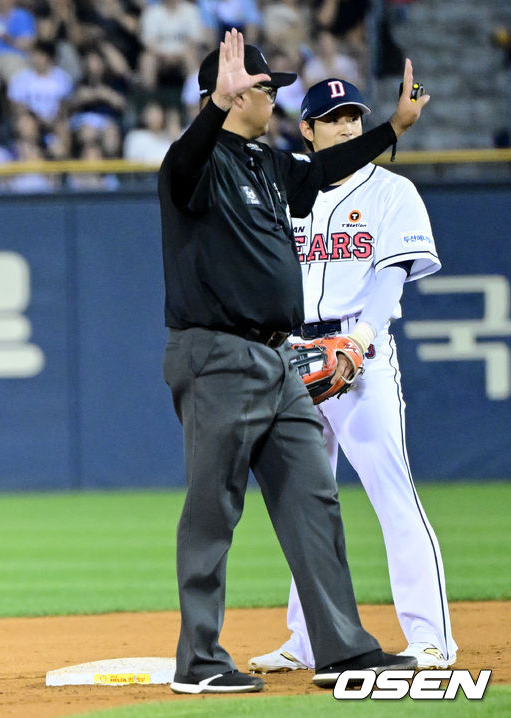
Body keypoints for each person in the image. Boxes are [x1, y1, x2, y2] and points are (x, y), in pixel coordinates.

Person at [158, 30, 426, 694]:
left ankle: (342, 650)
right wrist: (214, 108)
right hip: (216, 354)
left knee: (314, 497)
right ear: (230, 94)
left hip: (281, 361)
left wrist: (394, 125)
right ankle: (198, 661)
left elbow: (330, 168)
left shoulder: (266, 163)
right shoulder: (195, 164)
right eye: (264, 86)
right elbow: (187, 155)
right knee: (213, 508)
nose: (275, 95)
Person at [248, 78, 456, 675]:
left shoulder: (392, 192)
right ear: (307, 130)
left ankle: (431, 639)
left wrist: (358, 344)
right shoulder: (283, 188)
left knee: (392, 491)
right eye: (333, 118)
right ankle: (308, 639)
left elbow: (390, 284)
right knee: (302, 504)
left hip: (357, 355)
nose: (346, 127)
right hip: (290, 353)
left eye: (354, 117)